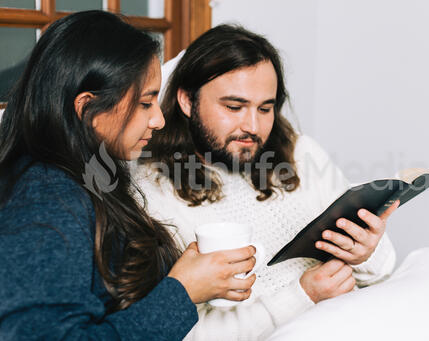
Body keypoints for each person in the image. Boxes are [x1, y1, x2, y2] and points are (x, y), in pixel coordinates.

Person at [0, 12, 257, 340]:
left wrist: (193, 276)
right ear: (88, 109)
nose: (158, 121)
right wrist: (183, 291)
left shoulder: (88, 175)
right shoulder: (47, 201)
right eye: (146, 103)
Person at [134, 24, 399, 340]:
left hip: (353, 320)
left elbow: (383, 273)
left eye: (265, 108)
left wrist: (364, 254)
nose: (252, 126)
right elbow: (188, 333)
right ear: (188, 102)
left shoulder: (301, 153)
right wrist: (303, 296)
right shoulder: (153, 194)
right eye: (234, 107)